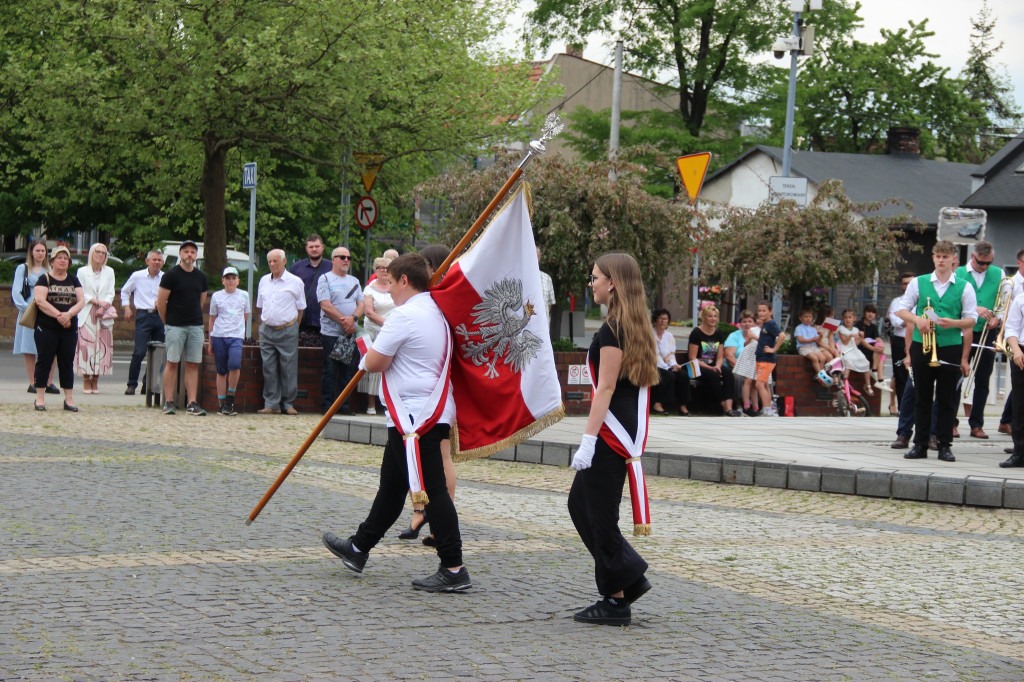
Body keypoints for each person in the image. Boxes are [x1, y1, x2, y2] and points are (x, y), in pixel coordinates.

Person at [322, 253, 471, 593]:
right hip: (419, 413)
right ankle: (359, 546)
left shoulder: (406, 315)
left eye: (389, 283)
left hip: (415, 418)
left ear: (405, 281)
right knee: (392, 486)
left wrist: (366, 349)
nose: (387, 292)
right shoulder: (437, 310)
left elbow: (374, 363)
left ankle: (453, 566)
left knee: (434, 492)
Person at [568, 252, 657, 627]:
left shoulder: (612, 330)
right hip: (620, 430)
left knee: (600, 516)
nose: (592, 284)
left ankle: (616, 600)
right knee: (580, 504)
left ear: (613, 283)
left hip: (611, 434)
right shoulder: (632, 324)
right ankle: (629, 577)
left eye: (595, 278)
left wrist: (588, 440)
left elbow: (603, 388)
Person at [895, 240, 977, 462]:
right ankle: (919, 444)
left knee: (947, 397)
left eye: (945, 257)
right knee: (921, 396)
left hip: (950, 346)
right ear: (933, 258)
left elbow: (972, 319)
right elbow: (901, 310)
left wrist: (954, 323)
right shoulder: (919, 283)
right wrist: (918, 319)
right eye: (938, 256)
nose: (941, 260)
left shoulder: (964, 286)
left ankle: (944, 444)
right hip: (923, 345)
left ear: (954, 261)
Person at [156, 239, 209, 416]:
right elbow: (161, 302)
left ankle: (192, 402)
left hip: (195, 325)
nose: (189, 255)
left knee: (193, 364)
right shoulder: (171, 275)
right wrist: (167, 321)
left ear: (196, 255)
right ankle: (169, 401)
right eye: (186, 251)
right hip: (175, 325)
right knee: (172, 362)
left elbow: (200, 301)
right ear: (180, 254)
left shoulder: (201, 277)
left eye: (192, 252)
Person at [956, 241, 1002, 439]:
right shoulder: (957, 273)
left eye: (988, 263)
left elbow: (1003, 300)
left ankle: (977, 424)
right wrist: (975, 309)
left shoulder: (998, 274)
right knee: (956, 377)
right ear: (972, 257)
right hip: (963, 330)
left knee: (983, 379)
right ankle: (950, 422)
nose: (985, 267)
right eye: (981, 263)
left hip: (987, 332)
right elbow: (953, 301)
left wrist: (997, 317)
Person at [32, 245, 85, 411]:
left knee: (66, 362)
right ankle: (39, 397)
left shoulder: (74, 280)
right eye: (59, 258)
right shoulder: (44, 279)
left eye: (65, 258)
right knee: (44, 361)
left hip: (69, 329)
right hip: (47, 327)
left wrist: (68, 315)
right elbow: (40, 301)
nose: (63, 261)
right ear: (52, 261)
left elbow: (81, 301)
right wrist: (59, 315)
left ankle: (69, 399)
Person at [257, 249, 306, 415]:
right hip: (267, 329)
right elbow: (260, 306)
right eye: (269, 261)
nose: (272, 264)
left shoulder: (296, 282)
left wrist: (293, 327)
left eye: (275, 261)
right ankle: (272, 404)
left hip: (287, 328)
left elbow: (301, 309)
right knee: (268, 367)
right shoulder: (263, 281)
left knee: (288, 367)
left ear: (284, 261)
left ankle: (288, 403)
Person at [316, 246, 364, 415]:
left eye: (349, 258)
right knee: (330, 370)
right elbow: (325, 305)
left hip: (350, 333)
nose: (346, 260)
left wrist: (354, 319)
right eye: (342, 257)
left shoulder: (355, 281)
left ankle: (344, 406)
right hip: (331, 333)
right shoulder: (325, 279)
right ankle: (327, 405)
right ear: (334, 259)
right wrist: (345, 321)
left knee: (347, 371)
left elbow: (361, 304)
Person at [13, 239, 58, 394]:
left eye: (43, 251)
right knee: (30, 348)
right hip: (29, 312)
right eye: (37, 250)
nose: (40, 253)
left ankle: (48, 382)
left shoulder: (50, 270)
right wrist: (29, 308)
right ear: (31, 252)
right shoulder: (23, 269)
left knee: (51, 347)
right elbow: (16, 293)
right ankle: (33, 382)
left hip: (48, 311)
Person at [207, 267, 250, 416]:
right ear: (223, 280)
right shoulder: (217, 296)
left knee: (234, 365)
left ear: (238, 281)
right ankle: (221, 402)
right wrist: (210, 340)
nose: (230, 281)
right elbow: (212, 318)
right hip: (219, 335)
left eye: (233, 278)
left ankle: (231, 397)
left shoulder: (244, 295)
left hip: (236, 336)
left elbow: (246, 315)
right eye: (228, 278)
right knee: (221, 370)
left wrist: (236, 327)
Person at [121, 250, 166, 396]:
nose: (157, 262)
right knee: (139, 351)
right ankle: (131, 384)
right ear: (147, 261)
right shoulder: (137, 276)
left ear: (163, 263)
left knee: (158, 352)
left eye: (159, 260)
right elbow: (125, 291)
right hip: (143, 315)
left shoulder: (165, 277)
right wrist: (127, 307)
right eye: (154, 260)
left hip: (160, 316)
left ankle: (149, 384)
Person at [75, 243, 116, 393]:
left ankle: (96, 379)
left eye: (103, 253)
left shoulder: (109, 272)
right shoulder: (82, 271)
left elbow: (111, 292)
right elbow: (81, 292)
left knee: (102, 347)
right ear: (91, 253)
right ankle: (86, 379)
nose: (100, 255)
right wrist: (96, 302)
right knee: (87, 346)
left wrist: (104, 305)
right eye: (97, 252)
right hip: (87, 311)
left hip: (104, 313)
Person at [358, 256, 395, 415]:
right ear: (375, 270)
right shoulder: (370, 289)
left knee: (392, 367)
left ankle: (389, 403)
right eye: (380, 268)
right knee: (373, 367)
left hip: (393, 330)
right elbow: (369, 312)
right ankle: (371, 404)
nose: (384, 271)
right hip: (374, 330)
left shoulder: (395, 287)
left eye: (387, 268)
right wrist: (386, 323)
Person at [689, 305, 740, 416]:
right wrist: (710, 368)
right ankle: (725, 408)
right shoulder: (696, 333)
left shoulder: (718, 334)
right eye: (710, 316)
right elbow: (693, 358)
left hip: (713, 366)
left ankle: (729, 407)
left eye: (715, 316)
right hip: (698, 367)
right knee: (712, 374)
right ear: (704, 318)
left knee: (728, 374)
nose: (713, 319)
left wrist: (717, 366)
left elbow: (720, 356)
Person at [999, 288, 1024, 467]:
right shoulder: (1021, 299)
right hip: (1022, 351)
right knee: (1020, 406)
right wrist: (1016, 351)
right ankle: (1019, 453)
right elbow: (1011, 327)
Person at [289, 233, 331, 340]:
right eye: (311, 247)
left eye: (317, 246)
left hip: (325, 320)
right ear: (306, 249)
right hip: (302, 320)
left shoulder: (332, 267)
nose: (314, 249)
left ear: (322, 247)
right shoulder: (296, 268)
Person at [650, 308, 690, 416]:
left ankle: (683, 406)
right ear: (654, 320)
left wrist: (674, 365)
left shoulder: (669, 336)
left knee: (683, 375)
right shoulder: (649, 334)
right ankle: (657, 404)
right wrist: (667, 368)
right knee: (668, 375)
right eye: (660, 319)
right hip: (652, 365)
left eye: (665, 319)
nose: (663, 321)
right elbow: (654, 355)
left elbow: (671, 354)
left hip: (666, 366)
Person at [887, 273, 914, 417]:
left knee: (918, 375)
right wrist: (913, 319)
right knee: (900, 375)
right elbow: (896, 322)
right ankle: (903, 409)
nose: (908, 286)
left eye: (911, 283)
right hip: (899, 341)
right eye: (905, 283)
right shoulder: (896, 302)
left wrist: (905, 318)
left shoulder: (922, 300)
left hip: (917, 340)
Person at [754, 301, 786, 417]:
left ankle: (767, 409)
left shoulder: (771, 324)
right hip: (761, 358)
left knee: (759, 384)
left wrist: (774, 349)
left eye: (764, 310)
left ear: (770, 312)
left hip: (766, 359)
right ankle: (768, 409)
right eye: (759, 310)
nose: (761, 313)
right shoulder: (765, 324)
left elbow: (782, 335)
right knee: (765, 384)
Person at [726, 309, 759, 415]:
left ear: (754, 323)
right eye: (744, 321)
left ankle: (762, 405)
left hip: (754, 367)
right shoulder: (734, 336)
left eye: (750, 321)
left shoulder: (758, 334)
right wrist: (743, 369)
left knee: (762, 378)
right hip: (737, 367)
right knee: (740, 377)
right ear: (740, 324)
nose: (747, 324)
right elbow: (729, 356)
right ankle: (741, 405)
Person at [837, 308, 874, 396]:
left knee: (866, 362)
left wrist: (861, 337)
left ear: (854, 319)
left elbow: (856, 343)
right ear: (843, 319)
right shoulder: (841, 329)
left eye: (849, 317)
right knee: (848, 362)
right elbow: (844, 342)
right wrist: (850, 336)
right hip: (844, 348)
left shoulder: (856, 330)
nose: (847, 319)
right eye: (845, 317)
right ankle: (844, 384)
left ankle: (868, 385)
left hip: (853, 349)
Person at [855, 304, 890, 393]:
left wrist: (882, 345)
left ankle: (878, 377)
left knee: (881, 351)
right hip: (861, 349)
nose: (871, 314)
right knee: (878, 349)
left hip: (871, 351)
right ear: (864, 313)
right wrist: (873, 348)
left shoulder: (873, 327)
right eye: (869, 312)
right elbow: (861, 340)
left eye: (873, 312)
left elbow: (878, 338)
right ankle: (879, 378)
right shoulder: (859, 324)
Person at [795, 307, 833, 377]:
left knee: (823, 358)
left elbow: (817, 340)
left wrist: (820, 336)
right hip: (804, 347)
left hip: (813, 347)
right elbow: (800, 340)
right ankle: (821, 375)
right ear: (800, 318)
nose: (808, 319)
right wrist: (812, 340)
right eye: (806, 317)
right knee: (815, 358)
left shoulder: (813, 328)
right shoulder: (799, 328)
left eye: (810, 317)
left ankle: (818, 374)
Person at [537, 246, 556, 318]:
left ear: (539, 258)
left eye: (536, 256)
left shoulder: (547, 278)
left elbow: (549, 305)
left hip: (543, 326)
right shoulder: (522, 279)